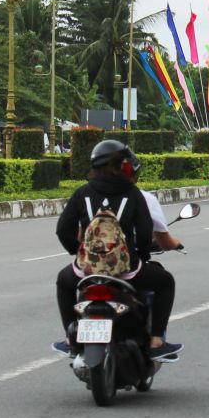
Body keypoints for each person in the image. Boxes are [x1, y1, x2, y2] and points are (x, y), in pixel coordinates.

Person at [52, 139, 182, 360]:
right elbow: (143, 232)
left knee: (63, 282)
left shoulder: (82, 192)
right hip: (126, 269)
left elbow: (63, 229)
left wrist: (80, 252)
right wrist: (141, 255)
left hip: (87, 271)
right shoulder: (133, 193)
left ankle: (68, 337)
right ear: (123, 166)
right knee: (165, 282)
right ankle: (157, 340)